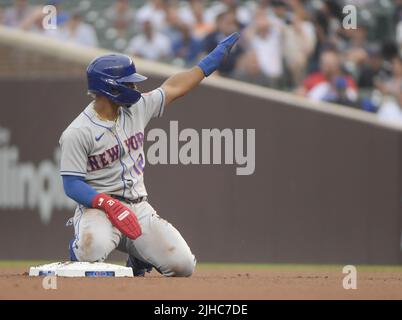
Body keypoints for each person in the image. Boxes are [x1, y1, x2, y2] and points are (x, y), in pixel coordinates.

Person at [59, 33, 240, 277]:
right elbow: (71, 185)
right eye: (128, 83)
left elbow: (175, 87)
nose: (134, 88)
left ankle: (137, 257)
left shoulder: (137, 108)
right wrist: (107, 204)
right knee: (91, 254)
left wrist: (209, 62)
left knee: (183, 266)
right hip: (100, 210)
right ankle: (77, 248)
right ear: (109, 87)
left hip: (138, 208)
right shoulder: (78, 131)